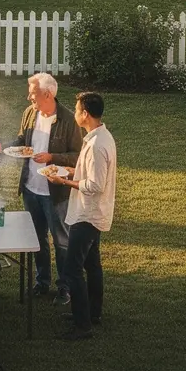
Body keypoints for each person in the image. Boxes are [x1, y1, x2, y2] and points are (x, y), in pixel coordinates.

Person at [0, 73, 81, 304]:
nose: (29, 97)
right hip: (31, 189)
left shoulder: (68, 119)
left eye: (32, 93)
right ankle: (42, 281)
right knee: (37, 239)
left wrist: (52, 157)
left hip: (55, 193)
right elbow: (22, 142)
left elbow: (78, 156)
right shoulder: (30, 113)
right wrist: (3, 147)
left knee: (61, 241)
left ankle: (65, 287)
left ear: (47, 94)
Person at [50, 92, 117, 341]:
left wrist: (64, 182)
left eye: (77, 110)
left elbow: (95, 185)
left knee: (72, 270)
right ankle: (92, 313)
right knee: (92, 265)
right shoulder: (100, 137)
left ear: (85, 114)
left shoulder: (97, 145)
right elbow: (88, 172)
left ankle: (82, 325)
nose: (75, 113)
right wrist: (68, 170)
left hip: (87, 215)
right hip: (93, 213)